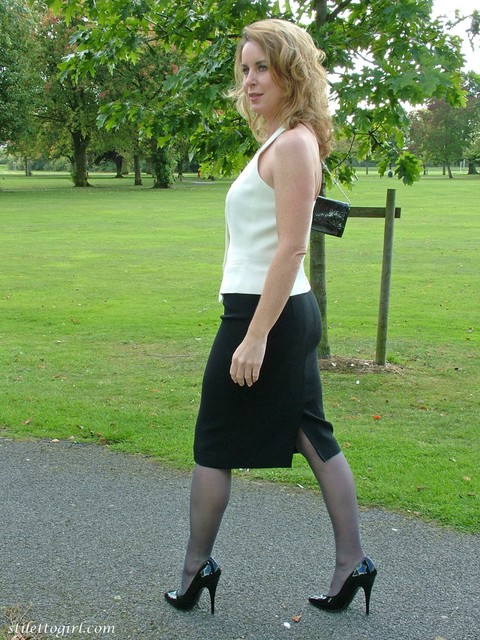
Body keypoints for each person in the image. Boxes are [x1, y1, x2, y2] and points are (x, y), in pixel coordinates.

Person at [165, 18, 376, 616]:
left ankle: (194, 568)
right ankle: (352, 562)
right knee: (313, 434)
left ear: (292, 72)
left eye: (263, 68)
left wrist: (254, 336)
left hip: (267, 316)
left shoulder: (292, 143)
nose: (250, 80)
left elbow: (291, 246)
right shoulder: (283, 138)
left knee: (213, 442)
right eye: (246, 68)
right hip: (274, 311)